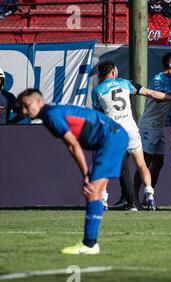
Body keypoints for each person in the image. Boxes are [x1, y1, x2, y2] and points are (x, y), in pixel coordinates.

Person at [17, 89, 129, 254]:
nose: (24, 111)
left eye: (27, 106)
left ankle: (89, 244)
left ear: (39, 102)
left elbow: (73, 145)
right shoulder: (51, 114)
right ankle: (91, 244)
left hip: (110, 138)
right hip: (115, 136)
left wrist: (85, 175)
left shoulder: (51, 116)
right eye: (22, 108)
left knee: (92, 190)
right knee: (95, 192)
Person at [92, 61, 171, 211]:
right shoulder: (125, 83)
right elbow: (150, 93)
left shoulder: (97, 90)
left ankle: (103, 200)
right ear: (114, 72)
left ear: (101, 75)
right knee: (141, 164)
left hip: (114, 131)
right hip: (131, 129)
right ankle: (150, 195)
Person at [133, 53, 171, 207]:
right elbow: (155, 97)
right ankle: (132, 197)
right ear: (170, 65)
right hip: (149, 126)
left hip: (159, 127)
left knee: (159, 162)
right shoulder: (158, 79)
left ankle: (148, 196)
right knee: (144, 163)